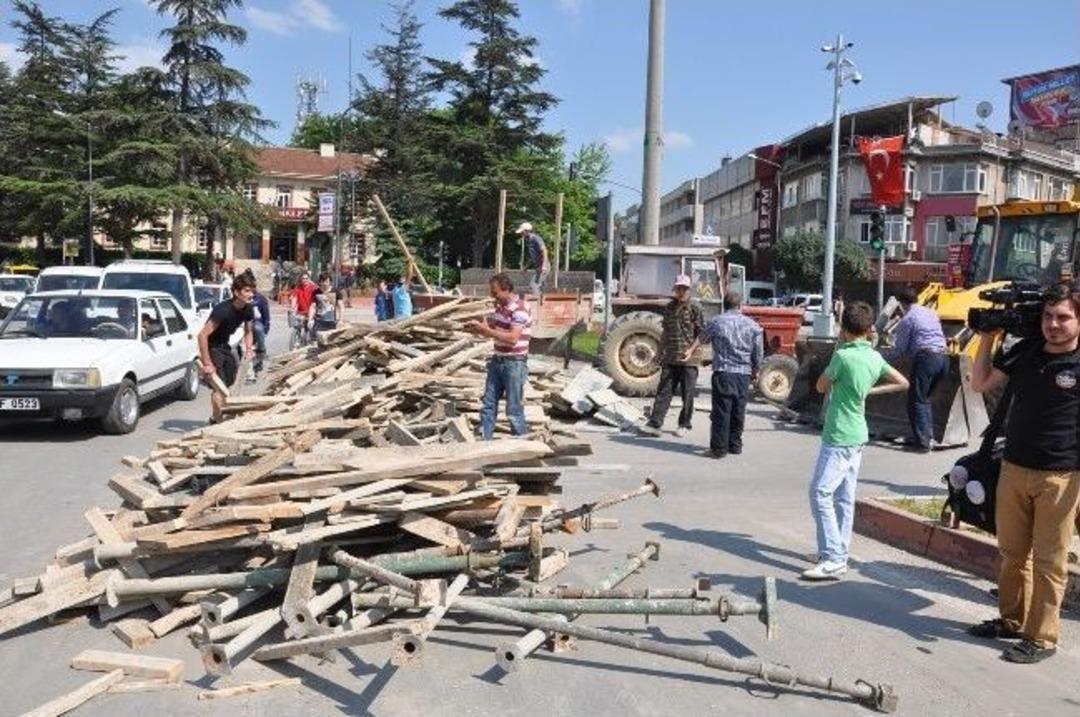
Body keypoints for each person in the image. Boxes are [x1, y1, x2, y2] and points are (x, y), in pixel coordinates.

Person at [966, 283, 1080, 664]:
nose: (1054, 324)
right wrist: (986, 338)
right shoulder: (1026, 351)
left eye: (1064, 317)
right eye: (1048, 316)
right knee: (1013, 553)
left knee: (1050, 560)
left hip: (1062, 476)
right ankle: (1012, 621)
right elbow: (980, 383)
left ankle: (1043, 637)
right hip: (1014, 467)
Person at [802, 302, 909, 581]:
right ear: (867, 327)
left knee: (820, 493)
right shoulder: (873, 357)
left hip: (839, 434)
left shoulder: (843, 357)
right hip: (858, 434)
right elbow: (902, 382)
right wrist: (870, 391)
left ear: (845, 330)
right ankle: (838, 552)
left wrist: (839, 351)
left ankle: (834, 557)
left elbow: (820, 386)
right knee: (844, 498)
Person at [682, 291, 762, 458]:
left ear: (724, 305)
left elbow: (702, 338)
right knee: (738, 410)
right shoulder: (753, 325)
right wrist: (756, 370)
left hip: (723, 373)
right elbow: (758, 352)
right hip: (743, 374)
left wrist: (689, 351)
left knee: (722, 411)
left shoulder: (717, 322)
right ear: (740, 306)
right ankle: (735, 445)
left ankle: (719, 449)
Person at [466, 273, 531, 439]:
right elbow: (494, 330)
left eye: (495, 292)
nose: (492, 295)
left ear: (507, 289)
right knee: (488, 403)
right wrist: (480, 328)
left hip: (514, 363)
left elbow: (512, 338)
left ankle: (521, 443)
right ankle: (485, 440)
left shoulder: (520, 309)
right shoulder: (500, 308)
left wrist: (486, 330)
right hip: (498, 360)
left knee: (513, 408)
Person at [883, 286, 948, 452]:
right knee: (925, 400)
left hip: (926, 359)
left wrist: (879, 359)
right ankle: (927, 436)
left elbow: (900, 350)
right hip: (943, 359)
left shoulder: (908, 319)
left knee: (916, 401)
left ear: (901, 304)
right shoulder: (931, 313)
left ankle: (922, 443)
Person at [639, 274, 703, 437]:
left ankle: (684, 424)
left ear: (689, 290)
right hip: (670, 358)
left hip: (689, 360)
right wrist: (658, 353)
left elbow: (702, 334)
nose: (681, 291)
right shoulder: (669, 308)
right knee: (664, 392)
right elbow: (665, 333)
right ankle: (655, 424)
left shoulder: (696, 308)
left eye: (684, 288)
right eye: (678, 288)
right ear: (675, 289)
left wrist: (691, 350)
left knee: (687, 394)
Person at [198, 272, 256, 424]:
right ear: (237, 292)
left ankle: (215, 417)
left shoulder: (248, 309)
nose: (251, 294)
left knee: (229, 386)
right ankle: (217, 422)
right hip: (212, 347)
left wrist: (249, 348)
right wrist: (207, 363)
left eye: (252, 290)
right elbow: (202, 335)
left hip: (225, 346)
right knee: (219, 387)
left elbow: (248, 331)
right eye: (247, 290)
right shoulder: (222, 310)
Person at [516, 222, 549, 296]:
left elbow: (545, 251)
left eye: (522, 232)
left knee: (534, 286)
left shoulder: (536, 239)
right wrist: (526, 267)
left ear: (526, 231)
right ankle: (541, 301)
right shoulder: (529, 241)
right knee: (537, 287)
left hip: (543, 266)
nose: (521, 234)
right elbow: (532, 257)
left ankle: (538, 304)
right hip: (538, 267)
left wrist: (544, 265)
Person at [246, 285, 271, 381]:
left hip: (257, 322)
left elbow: (266, 314)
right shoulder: (244, 298)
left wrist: (266, 326)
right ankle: (249, 374)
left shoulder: (260, 299)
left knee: (258, 328)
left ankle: (261, 349)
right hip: (245, 323)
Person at [289, 271, 320, 339]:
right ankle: (298, 337)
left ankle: (312, 339)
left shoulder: (314, 288)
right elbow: (294, 298)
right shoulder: (298, 288)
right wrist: (292, 308)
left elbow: (320, 293)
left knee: (312, 329)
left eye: (306, 278)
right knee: (297, 324)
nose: (304, 280)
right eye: (303, 278)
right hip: (301, 312)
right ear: (300, 279)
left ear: (309, 279)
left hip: (312, 312)